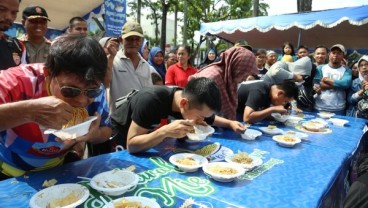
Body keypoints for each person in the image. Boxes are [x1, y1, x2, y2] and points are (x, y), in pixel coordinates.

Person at [0, 34, 111, 179]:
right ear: (48, 74)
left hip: (60, 168)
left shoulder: (98, 92)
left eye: (91, 91)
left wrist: (93, 135)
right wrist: (30, 111)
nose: (82, 101)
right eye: (70, 90)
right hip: (9, 173)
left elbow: (106, 130)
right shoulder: (17, 81)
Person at [110, 77, 246, 153]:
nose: (202, 120)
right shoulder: (151, 100)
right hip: (120, 133)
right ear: (184, 103)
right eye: (201, 116)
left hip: (146, 131)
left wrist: (230, 123)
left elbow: (211, 118)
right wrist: (164, 132)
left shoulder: (191, 103)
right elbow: (132, 146)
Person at [190, 46, 258, 120]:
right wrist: (228, 123)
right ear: (236, 66)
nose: (245, 79)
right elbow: (199, 113)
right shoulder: (211, 78)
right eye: (244, 73)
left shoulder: (229, 76)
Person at [109, 21, 152, 113]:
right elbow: (104, 83)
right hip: (118, 120)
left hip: (139, 120)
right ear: (121, 40)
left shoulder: (145, 65)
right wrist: (110, 58)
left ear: (141, 41)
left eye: (137, 39)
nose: (133, 42)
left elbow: (149, 93)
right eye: (129, 39)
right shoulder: (113, 61)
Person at [314, 44, 352, 115]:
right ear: (329, 54)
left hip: (339, 109)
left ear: (343, 56)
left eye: (339, 53)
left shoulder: (347, 70)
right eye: (333, 53)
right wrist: (339, 84)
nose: (336, 55)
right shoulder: (320, 68)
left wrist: (327, 80)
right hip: (319, 107)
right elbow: (317, 84)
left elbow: (345, 84)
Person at [0, 0, 27, 70]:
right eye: (1, 9)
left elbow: (24, 77)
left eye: (14, 13)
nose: (9, 17)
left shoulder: (18, 46)